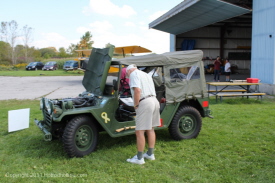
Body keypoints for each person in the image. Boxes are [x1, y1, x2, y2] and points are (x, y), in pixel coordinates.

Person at [126, 64, 160, 165]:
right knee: (150, 129)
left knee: (139, 131)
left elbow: (137, 90)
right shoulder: (146, 74)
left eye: (127, 74)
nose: (128, 76)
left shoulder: (133, 74)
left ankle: (139, 158)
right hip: (154, 100)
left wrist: (136, 105)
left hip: (145, 102)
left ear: (129, 71)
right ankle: (150, 154)